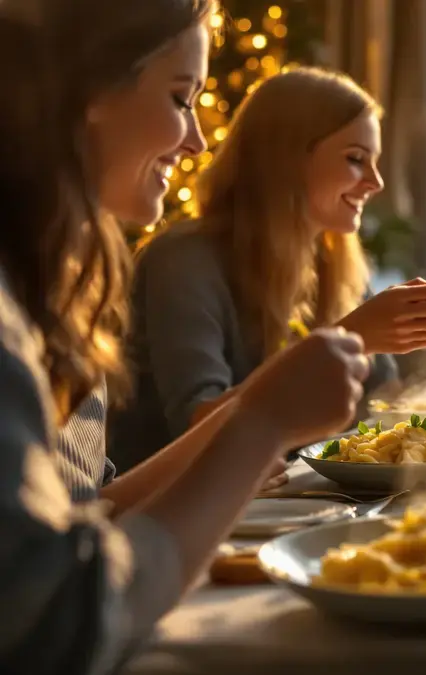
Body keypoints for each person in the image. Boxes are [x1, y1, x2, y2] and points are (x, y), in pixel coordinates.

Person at [0, 0, 371, 670]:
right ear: (88, 90)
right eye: (181, 97)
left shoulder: (51, 296)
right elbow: (56, 625)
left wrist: (267, 418)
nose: (198, 139)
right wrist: (258, 423)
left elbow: (95, 510)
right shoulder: (163, 264)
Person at [108, 67, 426, 472]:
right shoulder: (183, 260)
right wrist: (353, 336)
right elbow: (198, 425)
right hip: (169, 517)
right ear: (287, 158)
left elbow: (382, 403)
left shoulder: (331, 258)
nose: (376, 182)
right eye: (355, 159)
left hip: (289, 500)